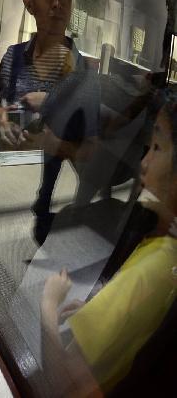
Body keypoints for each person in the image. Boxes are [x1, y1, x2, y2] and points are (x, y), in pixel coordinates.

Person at [40, 87, 177, 395]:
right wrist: (98, 313)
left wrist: (49, 305)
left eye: (157, 147)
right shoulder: (168, 254)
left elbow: (61, 381)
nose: (143, 162)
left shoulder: (151, 270)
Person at [0, 0, 90, 243]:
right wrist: (0, 118)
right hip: (5, 177)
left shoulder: (81, 71)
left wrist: (55, 139)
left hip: (51, 198)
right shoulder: (13, 56)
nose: (58, 4)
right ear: (29, 3)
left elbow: (90, 153)